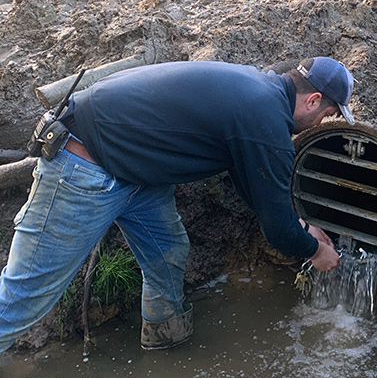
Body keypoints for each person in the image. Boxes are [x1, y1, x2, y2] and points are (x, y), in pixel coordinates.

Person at [0, 57, 353, 353]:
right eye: (327, 114)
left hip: (135, 168)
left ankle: (165, 344)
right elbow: (276, 228)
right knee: (27, 294)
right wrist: (312, 250)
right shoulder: (266, 121)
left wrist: (303, 228)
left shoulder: (256, 93)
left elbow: (253, 187)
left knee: (167, 252)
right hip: (83, 167)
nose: (321, 124)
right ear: (313, 99)